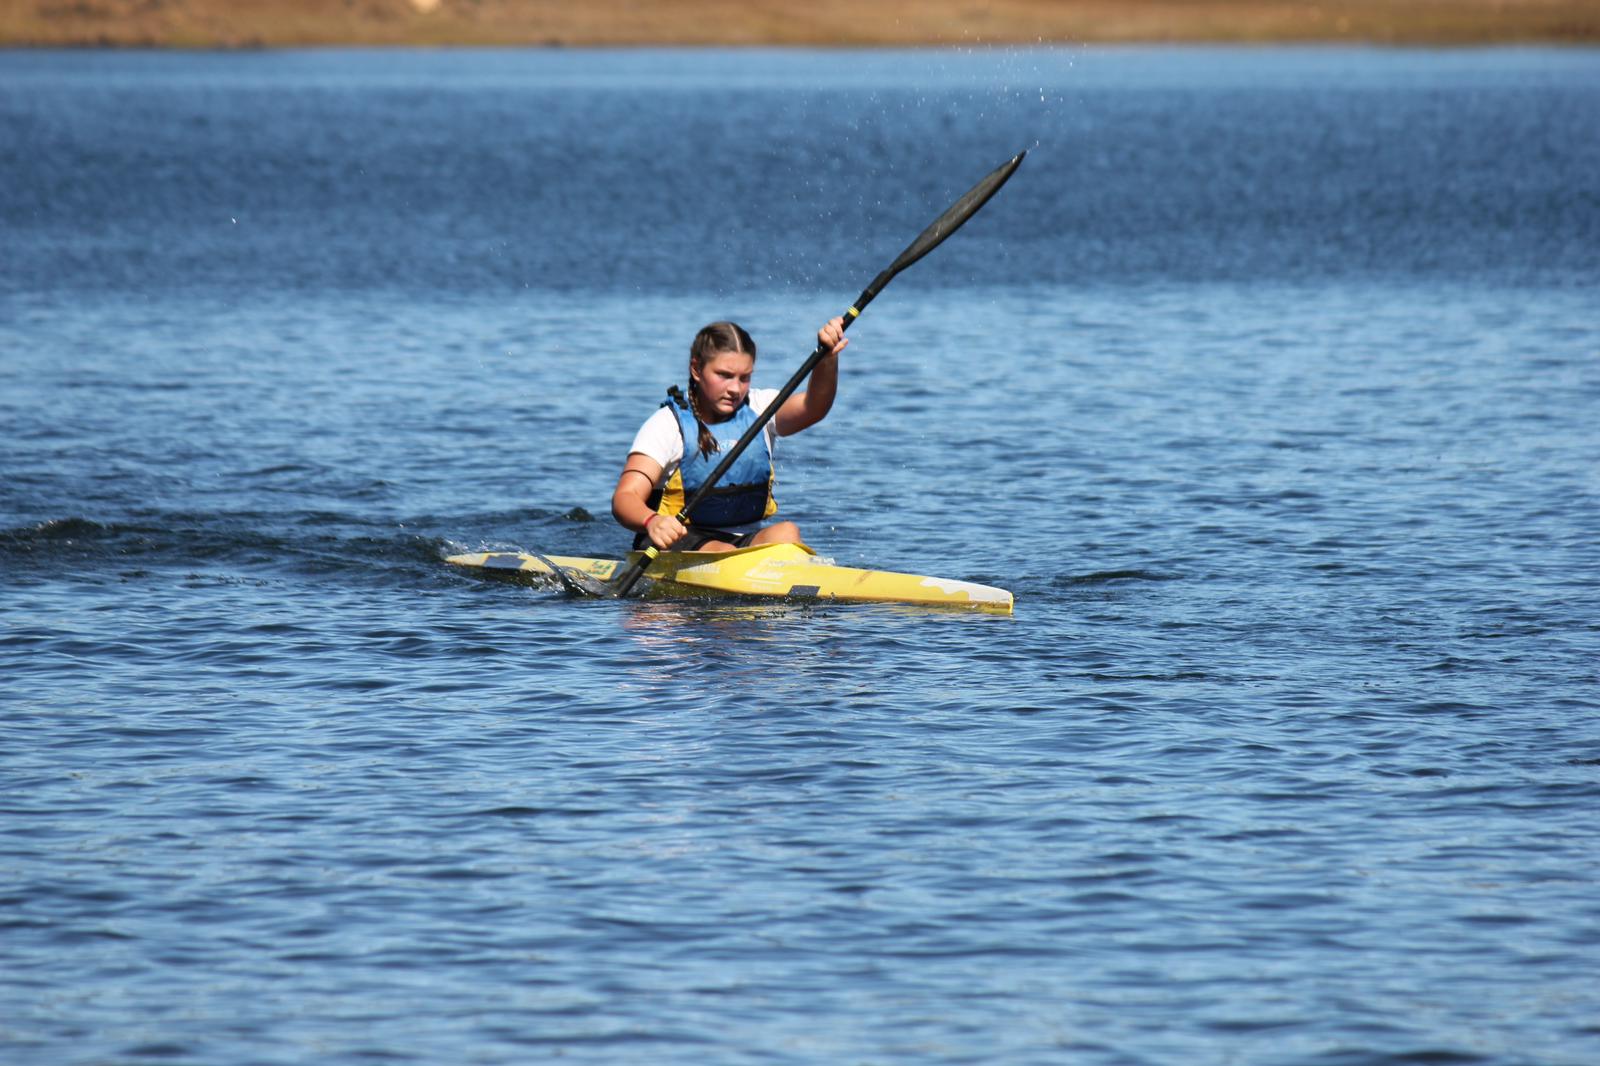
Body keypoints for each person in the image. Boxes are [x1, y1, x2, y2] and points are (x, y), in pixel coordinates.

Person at [611, 317, 848, 553]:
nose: (735, 389)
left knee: (787, 533)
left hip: (741, 541)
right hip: (674, 541)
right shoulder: (666, 425)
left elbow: (813, 408)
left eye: (744, 377)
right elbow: (625, 496)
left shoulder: (760, 407)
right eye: (724, 375)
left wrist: (827, 358)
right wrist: (652, 522)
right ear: (696, 369)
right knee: (721, 550)